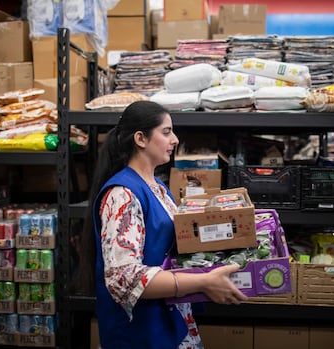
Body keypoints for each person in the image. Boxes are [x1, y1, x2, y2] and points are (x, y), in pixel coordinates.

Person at [79, 100, 248, 349]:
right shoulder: (123, 195)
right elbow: (123, 277)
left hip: (168, 321)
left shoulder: (158, 187)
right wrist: (202, 281)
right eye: (166, 132)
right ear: (141, 139)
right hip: (139, 333)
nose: (175, 139)